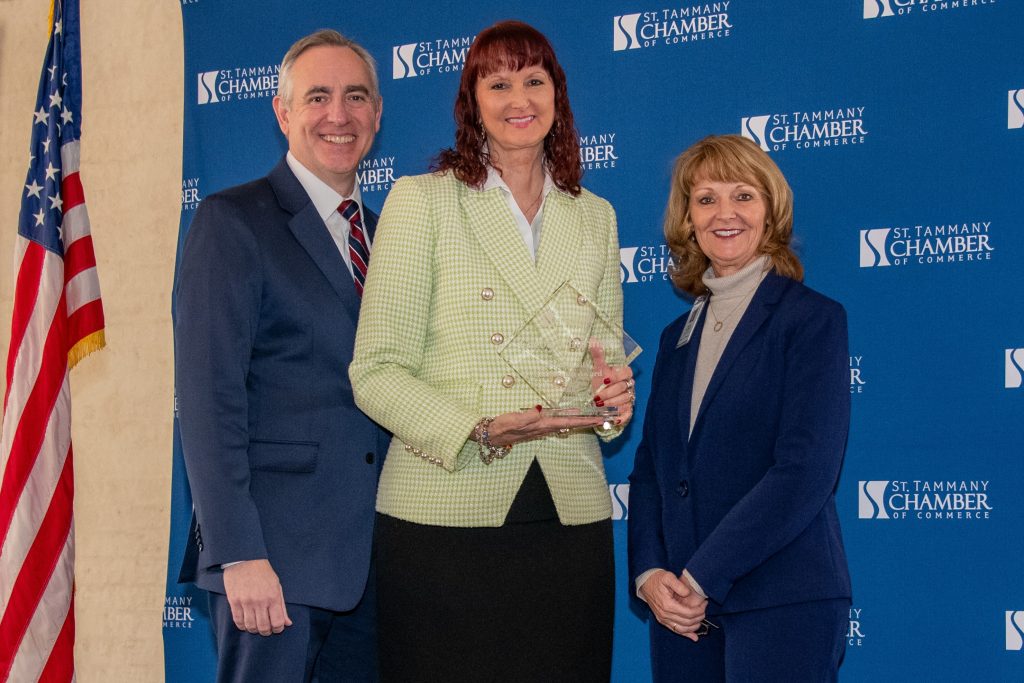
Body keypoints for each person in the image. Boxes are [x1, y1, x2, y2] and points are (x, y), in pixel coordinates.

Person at [349, 20, 633, 683]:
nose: (519, 99)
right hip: (446, 513)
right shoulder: (423, 201)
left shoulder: (595, 215)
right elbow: (376, 371)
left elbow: (606, 362)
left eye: (534, 80)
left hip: (568, 514)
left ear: (557, 96)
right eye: (498, 83)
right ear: (472, 103)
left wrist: (613, 401)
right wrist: (476, 428)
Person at [174, 29, 388, 682]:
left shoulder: (389, 236)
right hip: (273, 564)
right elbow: (208, 399)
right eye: (318, 96)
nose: (338, 114)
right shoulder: (232, 220)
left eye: (356, 96)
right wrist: (237, 553)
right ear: (282, 111)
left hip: (377, 568)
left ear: (377, 113)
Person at [627, 134, 852, 682]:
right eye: (706, 199)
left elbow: (805, 471)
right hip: (680, 615)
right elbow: (652, 470)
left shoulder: (811, 320)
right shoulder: (675, 337)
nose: (724, 213)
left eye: (743, 196)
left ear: (770, 211)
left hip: (781, 602)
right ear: (688, 220)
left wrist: (703, 575)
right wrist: (650, 574)